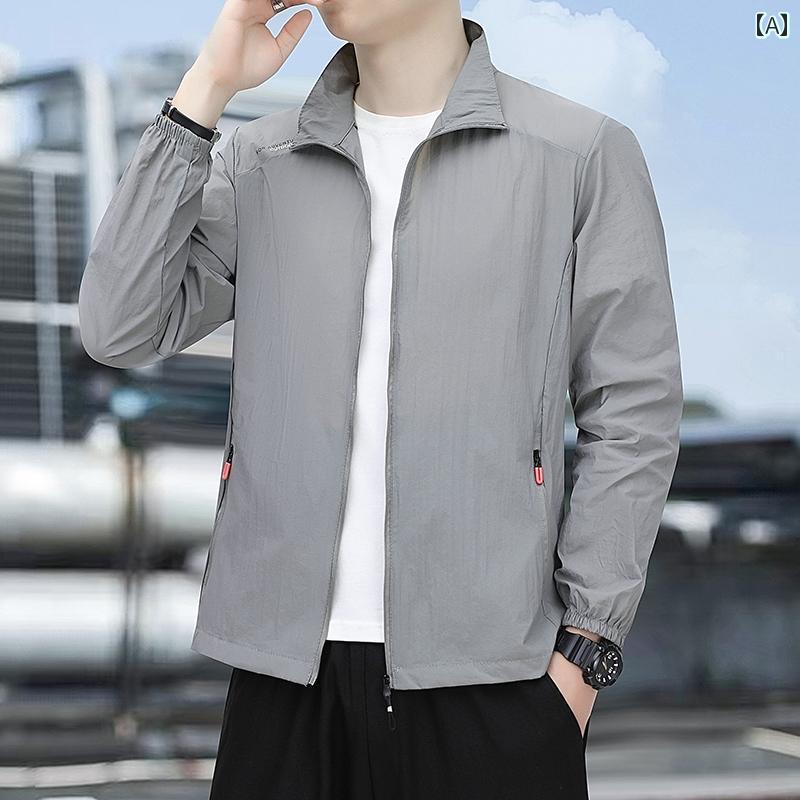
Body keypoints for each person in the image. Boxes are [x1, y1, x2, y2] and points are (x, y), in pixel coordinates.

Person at [77, 0, 684, 797]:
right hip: (282, 684)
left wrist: (582, 655)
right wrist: (208, 86)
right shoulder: (260, 161)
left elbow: (633, 414)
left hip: (496, 684)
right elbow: (118, 326)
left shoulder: (578, 154)